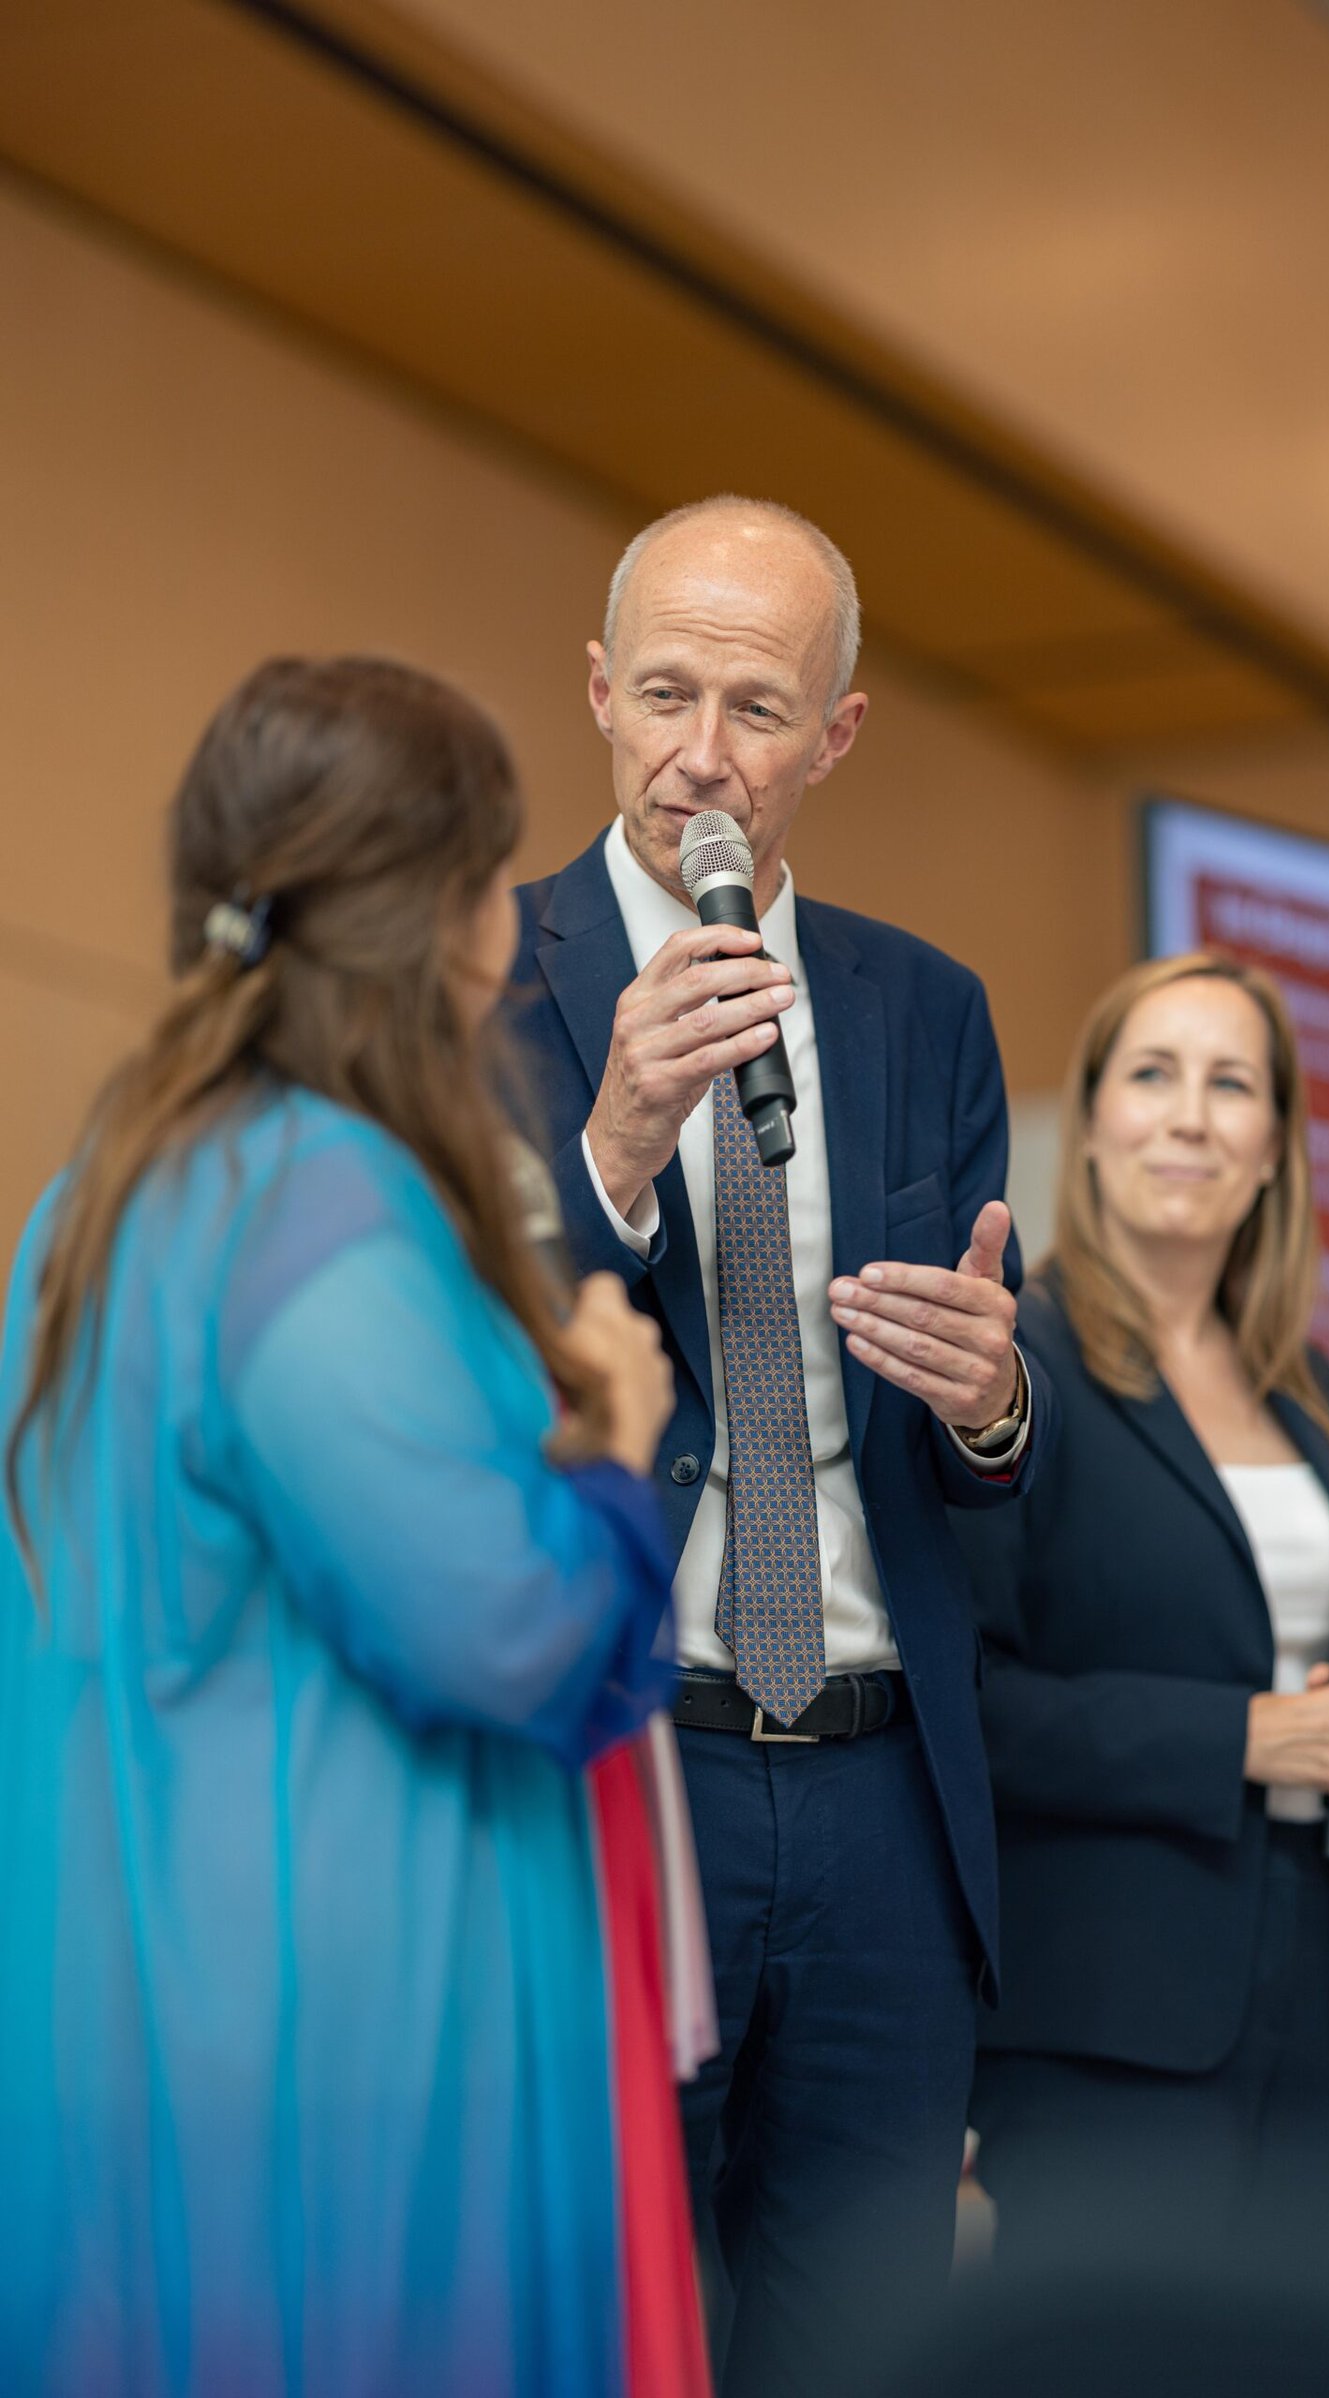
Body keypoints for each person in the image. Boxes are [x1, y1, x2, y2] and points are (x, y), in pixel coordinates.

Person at [0, 657, 709, 2398]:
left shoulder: (103, 1192)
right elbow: (512, 1627)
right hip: (358, 2006)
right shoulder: (316, 1197)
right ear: (445, 920)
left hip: (163, 1963)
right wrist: (617, 1443)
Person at [507, 495, 1051, 2395]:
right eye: (661, 693)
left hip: (885, 1785)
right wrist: (613, 1154)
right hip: (625, 1749)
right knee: (611, 2319)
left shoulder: (925, 1003)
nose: (700, 756)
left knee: (867, 2338)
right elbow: (456, 1373)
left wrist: (992, 1395)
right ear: (593, 690)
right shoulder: (480, 988)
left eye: (755, 705)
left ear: (837, 732)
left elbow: (995, 1449)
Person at [951, 952, 1329, 2277]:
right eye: (1152, 1074)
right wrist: (1245, 1737)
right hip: (1114, 2013)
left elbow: (1312, 1659)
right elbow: (971, 1705)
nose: (1189, 1115)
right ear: (1093, 1117)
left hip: (1327, 1996)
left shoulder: (1306, 1379)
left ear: (1277, 1145)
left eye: (1232, 1084)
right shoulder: (1016, 1363)